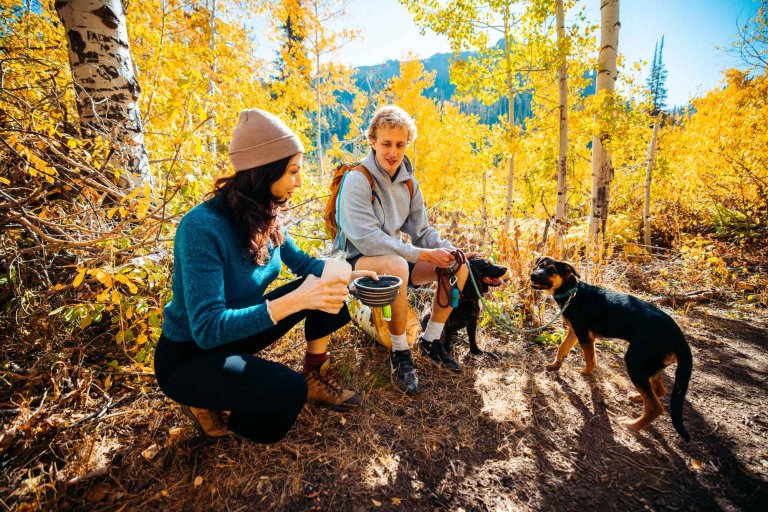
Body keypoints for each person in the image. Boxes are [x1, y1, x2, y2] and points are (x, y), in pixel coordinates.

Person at [155, 108, 376, 443]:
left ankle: (315, 373)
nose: (299, 181)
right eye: (292, 171)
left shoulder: (265, 213)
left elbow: (302, 264)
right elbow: (207, 329)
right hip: (189, 355)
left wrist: (352, 275)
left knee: (330, 282)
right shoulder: (202, 227)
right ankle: (210, 403)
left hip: (235, 335)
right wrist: (294, 300)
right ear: (263, 171)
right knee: (287, 393)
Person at [332, 105, 474, 396]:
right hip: (357, 262)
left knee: (456, 265)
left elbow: (421, 231)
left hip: (397, 254)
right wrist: (420, 254)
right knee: (397, 265)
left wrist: (450, 250)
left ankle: (431, 340)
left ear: (407, 143)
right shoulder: (358, 179)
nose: (393, 152)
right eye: (386, 143)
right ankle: (400, 353)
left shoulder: (409, 183)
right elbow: (367, 239)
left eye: (400, 144)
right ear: (372, 141)